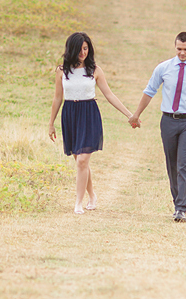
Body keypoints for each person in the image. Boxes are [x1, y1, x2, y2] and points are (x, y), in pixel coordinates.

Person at [129, 32, 186, 223]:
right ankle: (177, 203)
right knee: (172, 164)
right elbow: (149, 91)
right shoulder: (163, 68)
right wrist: (136, 114)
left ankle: (181, 208)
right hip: (168, 121)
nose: (182, 53)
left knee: (184, 164)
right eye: (179, 49)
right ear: (175, 47)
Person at [49, 32, 136, 215]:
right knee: (80, 162)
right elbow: (57, 98)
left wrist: (130, 115)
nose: (83, 52)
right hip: (70, 114)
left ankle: (78, 203)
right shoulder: (61, 71)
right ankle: (92, 195)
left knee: (82, 160)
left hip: (89, 115)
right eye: (80, 49)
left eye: (86, 48)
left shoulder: (95, 70)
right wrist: (51, 123)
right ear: (72, 49)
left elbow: (109, 94)